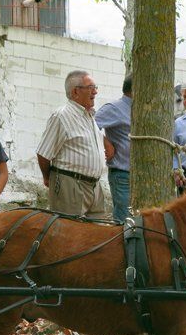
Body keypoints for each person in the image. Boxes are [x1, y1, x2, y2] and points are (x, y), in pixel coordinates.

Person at [36, 70, 106, 218]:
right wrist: (49, 178)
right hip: (71, 185)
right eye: (91, 87)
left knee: (98, 235)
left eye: (95, 87)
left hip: (95, 186)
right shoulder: (61, 116)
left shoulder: (89, 116)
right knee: (69, 236)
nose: (95, 92)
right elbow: (43, 153)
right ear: (76, 92)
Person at [95, 75, 132, 223]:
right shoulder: (114, 108)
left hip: (141, 177)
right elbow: (89, 126)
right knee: (124, 223)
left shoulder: (145, 110)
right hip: (123, 176)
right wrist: (105, 142)